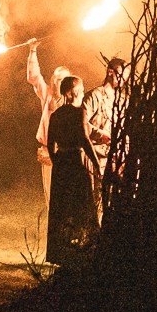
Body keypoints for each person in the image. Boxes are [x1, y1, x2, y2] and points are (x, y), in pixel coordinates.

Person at [43, 71, 97, 264]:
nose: (83, 92)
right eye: (80, 90)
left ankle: (61, 251)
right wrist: (96, 163)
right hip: (75, 162)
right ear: (71, 93)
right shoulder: (78, 113)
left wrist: (57, 161)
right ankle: (83, 249)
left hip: (62, 163)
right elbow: (84, 139)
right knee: (81, 204)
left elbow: (50, 143)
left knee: (62, 206)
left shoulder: (56, 115)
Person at [23, 41, 81, 203]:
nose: (61, 82)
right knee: (52, 194)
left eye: (65, 79)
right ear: (54, 80)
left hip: (68, 153)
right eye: (58, 79)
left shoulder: (76, 100)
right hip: (49, 152)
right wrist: (33, 51)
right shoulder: (48, 95)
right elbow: (34, 77)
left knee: (67, 195)